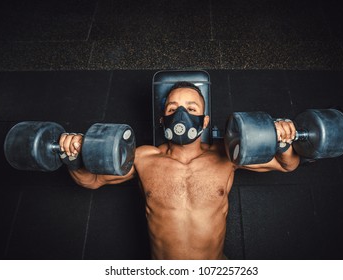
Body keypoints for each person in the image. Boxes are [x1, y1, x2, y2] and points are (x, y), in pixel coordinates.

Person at [59, 81, 300, 260]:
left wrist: (283, 141)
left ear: (204, 122)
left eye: (191, 109)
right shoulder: (143, 158)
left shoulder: (227, 154)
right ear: (163, 120)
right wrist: (71, 157)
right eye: (172, 108)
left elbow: (286, 163)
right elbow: (90, 180)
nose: (181, 115)